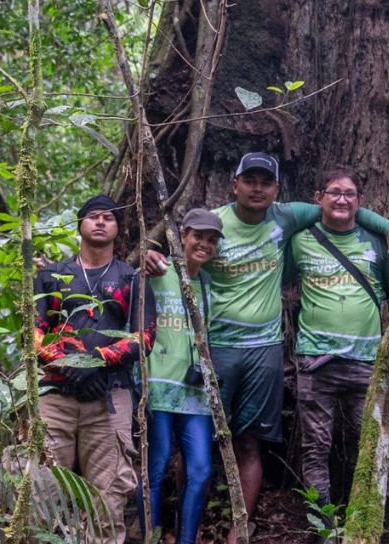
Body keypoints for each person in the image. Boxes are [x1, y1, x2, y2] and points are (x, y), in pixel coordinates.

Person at [144, 152, 389, 544]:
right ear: (234, 184)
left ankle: (239, 530)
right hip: (213, 346)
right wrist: (155, 260)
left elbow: (343, 208)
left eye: (265, 182)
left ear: (276, 189)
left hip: (265, 349)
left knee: (250, 441)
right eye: (249, 180)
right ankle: (191, 527)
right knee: (197, 441)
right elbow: (188, 256)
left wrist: (388, 225)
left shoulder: (285, 217)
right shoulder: (215, 222)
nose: (257, 188)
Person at [289, 168, 389, 543]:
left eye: (350, 194)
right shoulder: (300, 241)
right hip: (314, 362)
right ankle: (321, 527)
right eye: (335, 193)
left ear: (360, 201)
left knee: (379, 444)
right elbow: (277, 283)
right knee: (315, 448)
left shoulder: (377, 243)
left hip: (368, 364)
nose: (342, 200)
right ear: (319, 197)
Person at [34, 194, 156, 544]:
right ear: (80, 225)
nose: (101, 222)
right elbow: (35, 331)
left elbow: (143, 337)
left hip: (109, 399)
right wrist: (69, 365)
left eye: (109, 218)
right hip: (54, 397)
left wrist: (96, 362)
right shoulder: (51, 275)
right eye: (93, 216)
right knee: (41, 496)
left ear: (119, 229)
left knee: (109, 501)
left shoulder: (132, 279)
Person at [145, 209, 223, 544]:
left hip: (196, 394)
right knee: (157, 466)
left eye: (211, 240)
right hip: (158, 386)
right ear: (183, 237)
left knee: (202, 470)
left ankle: (186, 539)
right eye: (198, 237)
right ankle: (150, 534)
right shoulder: (157, 270)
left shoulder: (208, 285)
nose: (203, 244)